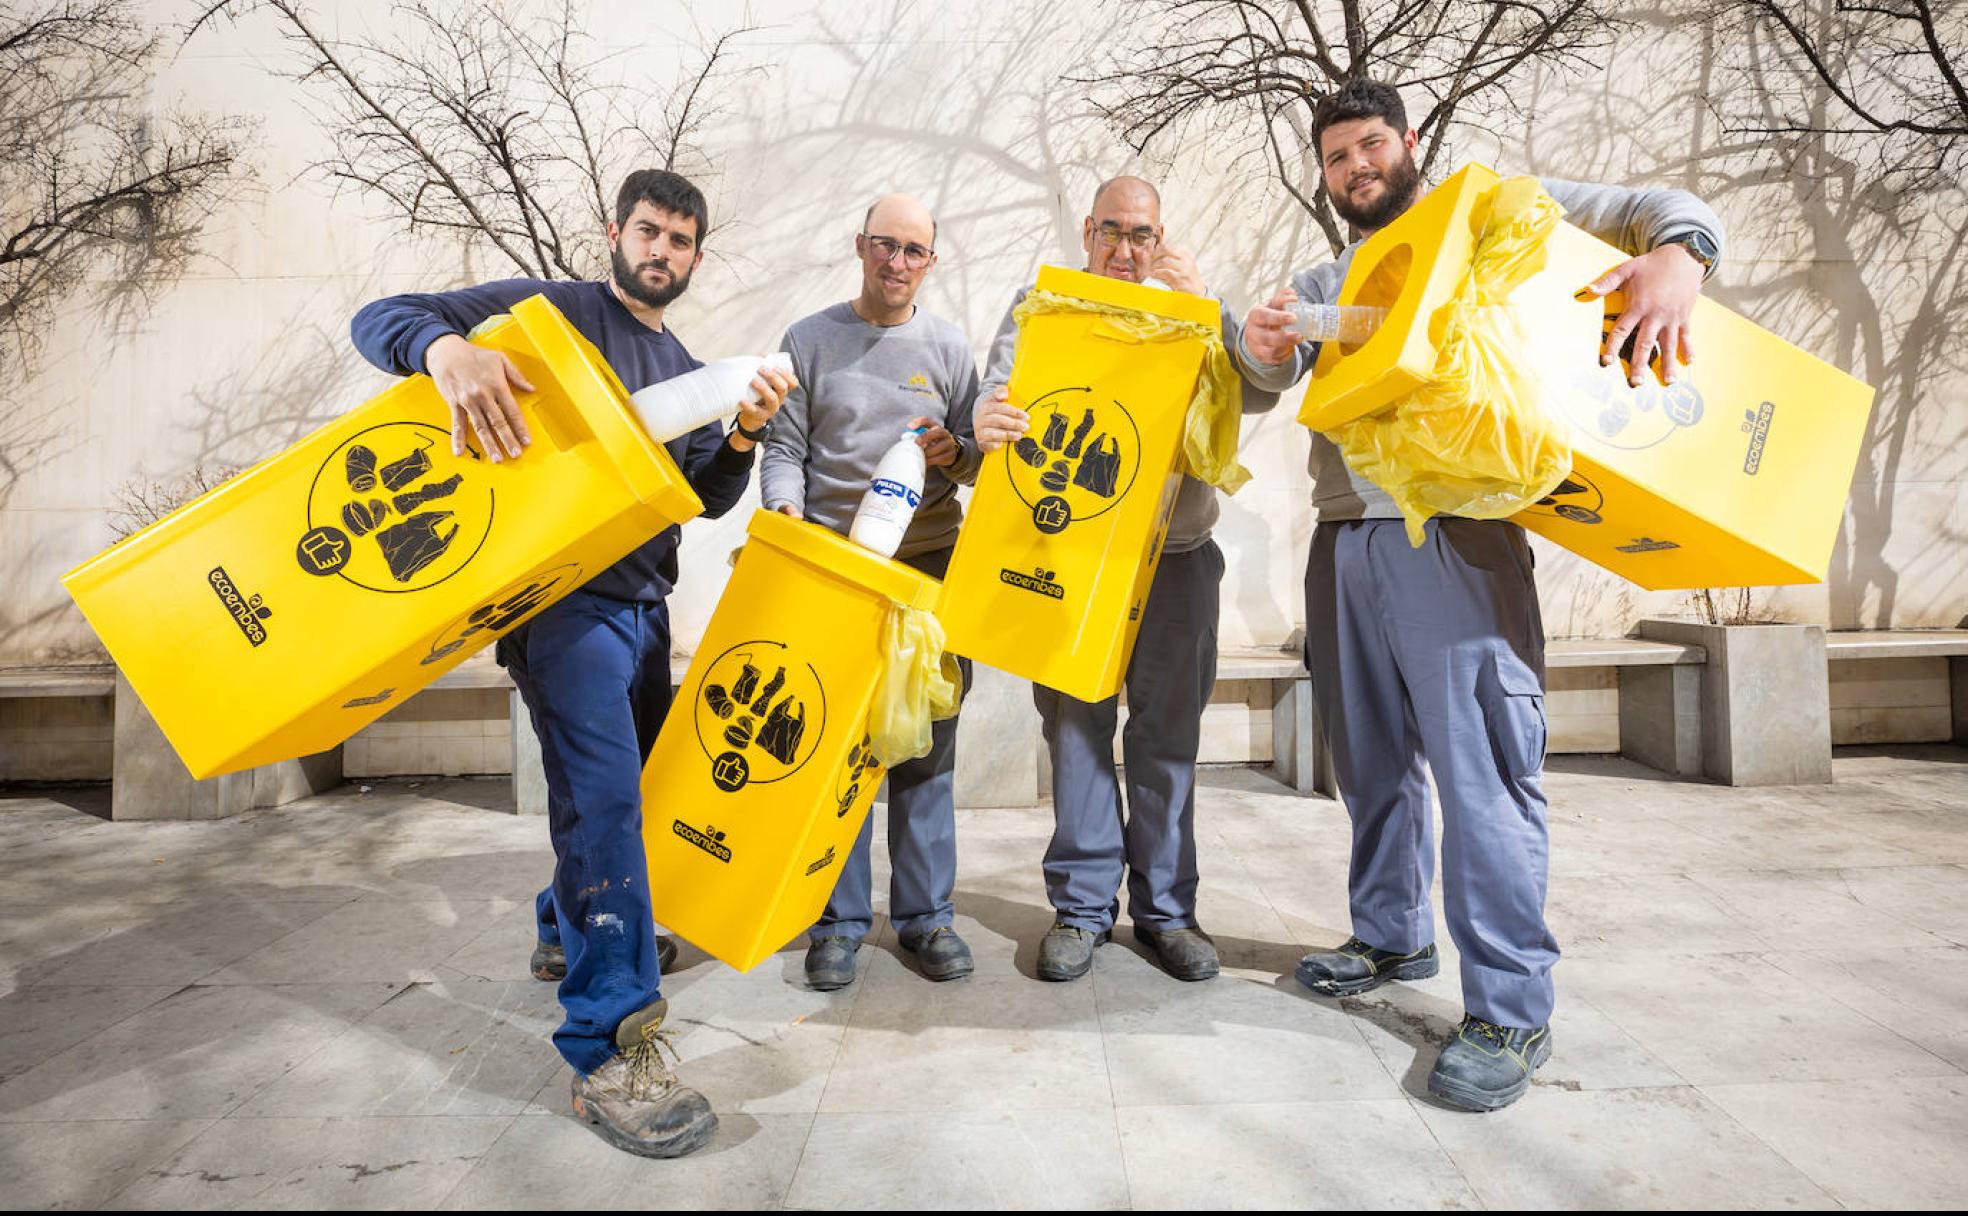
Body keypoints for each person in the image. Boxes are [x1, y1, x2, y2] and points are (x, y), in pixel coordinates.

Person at [1236, 79, 1725, 1111]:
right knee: (1370, 765)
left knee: (1485, 772)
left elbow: (1668, 210)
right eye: (1336, 157)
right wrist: (1263, 339)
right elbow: (1260, 370)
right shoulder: (1327, 273)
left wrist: (1683, 261)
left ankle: (1511, 1006)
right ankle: (1390, 934)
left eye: (1371, 144)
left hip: (1457, 535)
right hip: (1346, 541)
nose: (1357, 167)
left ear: (1410, 142)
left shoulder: (1493, 208)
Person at [350, 169, 796, 1156]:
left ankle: (565, 921)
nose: (662, 252)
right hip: (563, 606)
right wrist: (446, 352)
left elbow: (700, 500)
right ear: (614, 231)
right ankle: (609, 1045)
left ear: (696, 256)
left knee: (623, 789)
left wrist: (745, 433)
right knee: (605, 803)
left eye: (682, 241)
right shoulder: (552, 311)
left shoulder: (682, 359)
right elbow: (382, 316)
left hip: (642, 604)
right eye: (649, 232)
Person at [971, 176, 1279, 984]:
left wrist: (1209, 307)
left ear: (1161, 239)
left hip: (1177, 560)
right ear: (1087, 232)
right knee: (1074, 737)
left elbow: (1258, 390)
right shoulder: (1044, 305)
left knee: (1167, 741)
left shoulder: (1194, 314)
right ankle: (1080, 909)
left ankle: (1168, 915)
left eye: (1141, 235)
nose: (1125, 250)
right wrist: (985, 415)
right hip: (1071, 560)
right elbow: (999, 392)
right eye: (1111, 231)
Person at [761, 193, 983, 990]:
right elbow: (782, 446)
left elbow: (981, 465)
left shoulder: (951, 348)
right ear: (859, 246)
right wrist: (786, 511)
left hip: (928, 573)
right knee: (838, 753)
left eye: (913, 250)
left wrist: (954, 450)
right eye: (884, 245)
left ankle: (927, 920)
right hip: (836, 576)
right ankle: (839, 922)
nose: (897, 261)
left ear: (932, 260)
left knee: (926, 749)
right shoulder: (810, 340)